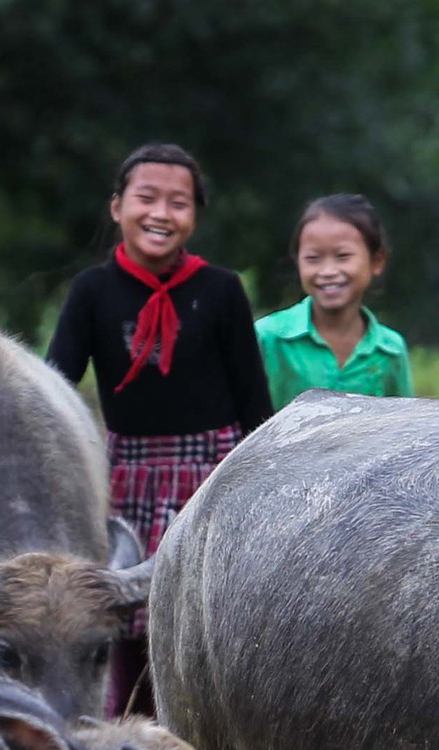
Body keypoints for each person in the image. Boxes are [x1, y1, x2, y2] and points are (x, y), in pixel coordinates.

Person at [48, 143, 272, 716]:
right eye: (146, 198)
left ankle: (202, 721)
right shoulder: (91, 293)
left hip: (211, 470)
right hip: (126, 476)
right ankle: (126, 719)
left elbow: (253, 398)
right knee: (122, 612)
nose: (161, 214)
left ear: (194, 217)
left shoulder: (221, 291)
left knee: (201, 610)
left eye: (179, 203)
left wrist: (263, 480)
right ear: (117, 206)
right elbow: (55, 387)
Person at [256, 194, 413, 411]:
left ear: (376, 261)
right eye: (313, 258)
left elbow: (402, 426)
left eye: (343, 256)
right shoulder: (268, 338)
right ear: (298, 262)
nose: (328, 271)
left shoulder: (390, 350)